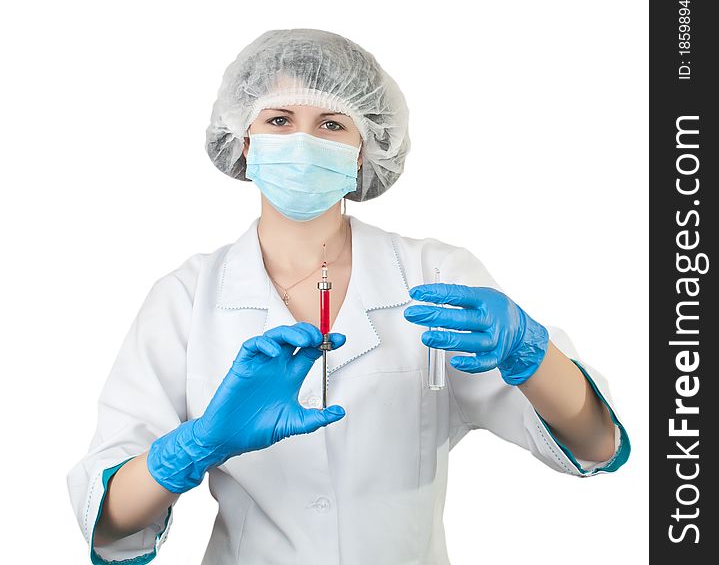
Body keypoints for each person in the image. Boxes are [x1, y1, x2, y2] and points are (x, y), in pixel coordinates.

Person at [67, 28, 630, 565]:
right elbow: (110, 517)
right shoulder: (186, 298)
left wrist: (531, 354)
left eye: (332, 123)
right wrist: (196, 447)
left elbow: (595, 443)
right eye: (280, 119)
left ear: (365, 150)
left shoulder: (432, 274)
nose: (303, 143)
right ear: (244, 141)